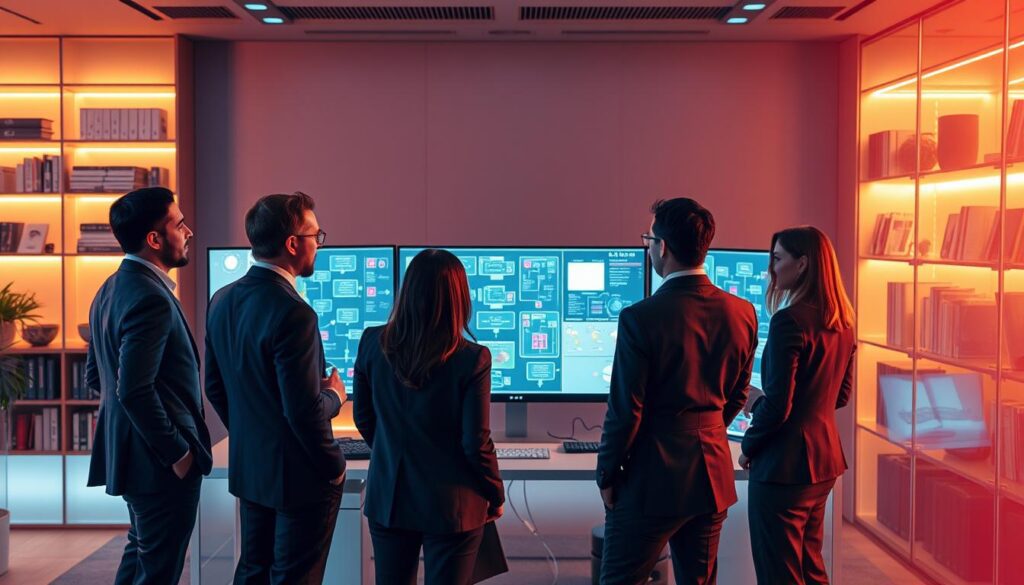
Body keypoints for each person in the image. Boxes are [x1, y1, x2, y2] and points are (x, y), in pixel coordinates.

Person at [596, 197, 759, 585]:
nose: (649, 247)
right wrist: (708, 430)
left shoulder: (640, 318)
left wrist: (606, 475)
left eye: (648, 239)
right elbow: (738, 393)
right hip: (711, 477)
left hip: (651, 480)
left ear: (662, 247)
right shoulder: (743, 312)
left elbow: (625, 409)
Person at [205, 192, 346, 584]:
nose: (319, 245)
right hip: (301, 475)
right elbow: (302, 412)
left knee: (253, 570)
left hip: (253, 468)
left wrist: (255, 435)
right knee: (295, 576)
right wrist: (334, 397)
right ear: (292, 243)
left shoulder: (222, 300)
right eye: (316, 236)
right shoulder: (294, 312)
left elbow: (215, 387)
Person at [353, 248, 505, 585]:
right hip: (454, 506)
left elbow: (364, 417)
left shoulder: (371, 342)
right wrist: (495, 493)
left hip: (390, 496)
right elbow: (475, 442)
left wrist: (394, 450)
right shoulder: (473, 358)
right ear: (459, 297)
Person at [86, 187, 212, 585]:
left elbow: (97, 377)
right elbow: (133, 390)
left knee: (142, 556)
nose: (189, 231)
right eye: (179, 224)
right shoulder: (149, 297)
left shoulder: (108, 289)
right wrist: (178, 453)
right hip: (160, 465)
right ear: (155, 239)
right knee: (159, 571)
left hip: (135, 460)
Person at [739, 226, 856, 585]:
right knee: (810, 566)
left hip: (782, 469)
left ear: (802, 263)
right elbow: (840, 395)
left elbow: (777, 407)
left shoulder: (788, 321)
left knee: (780, 573)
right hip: (822, 464)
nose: (771, 270)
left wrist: (749, 445)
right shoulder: (843, 321)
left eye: (776, 259)